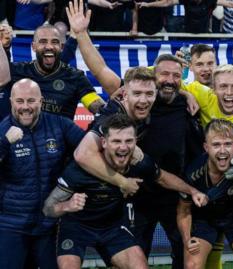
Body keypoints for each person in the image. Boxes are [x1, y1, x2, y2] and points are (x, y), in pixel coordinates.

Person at [66, 2, 207, 267]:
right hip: (135, 193)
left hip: (171, 192)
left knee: (184, 252)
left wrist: (187, 93)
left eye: (176, 76)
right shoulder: (127, 100)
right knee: (133, 256)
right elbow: (100, 69)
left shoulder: (185, 100)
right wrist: (81, 34)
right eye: (164, 73)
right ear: (153, 77)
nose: (170, 79)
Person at [43, 114, 160, 269]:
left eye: (129, 141)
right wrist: (67, 206)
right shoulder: (78, 170)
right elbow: (47, 209)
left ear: (136, 141)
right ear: (104, 142)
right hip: (76, 227)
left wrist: (191, 190)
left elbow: (163, 178)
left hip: (113, 228)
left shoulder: (139, 164)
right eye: (116, 141)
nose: (123, 147)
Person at [0, 78, 85, 268]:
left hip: (50, 225)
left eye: (31, 101)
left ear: (41, 101)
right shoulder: (1, 131)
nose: (25, 107)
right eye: (20, 101)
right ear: (11, 102)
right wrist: (4, 143)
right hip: (11, 226)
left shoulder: (59, 125)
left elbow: (89, 148)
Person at [177, 119, 233, 269]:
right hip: (204, 220)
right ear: (206, 147)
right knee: (192, 263)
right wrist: (186, 239)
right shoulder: (192, 172)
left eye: (228, 144)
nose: (222, 151)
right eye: (216, 145)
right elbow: (184, 210)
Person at [0, 24, 105, 120]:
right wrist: (4, 47)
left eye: (54, 42)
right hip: (22, 138)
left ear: (61, 47)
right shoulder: (18, 71)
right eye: (43, 42)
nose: (49, 46)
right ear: (33, 46)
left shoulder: (75, 77)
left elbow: (100, 109)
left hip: (60, 139)